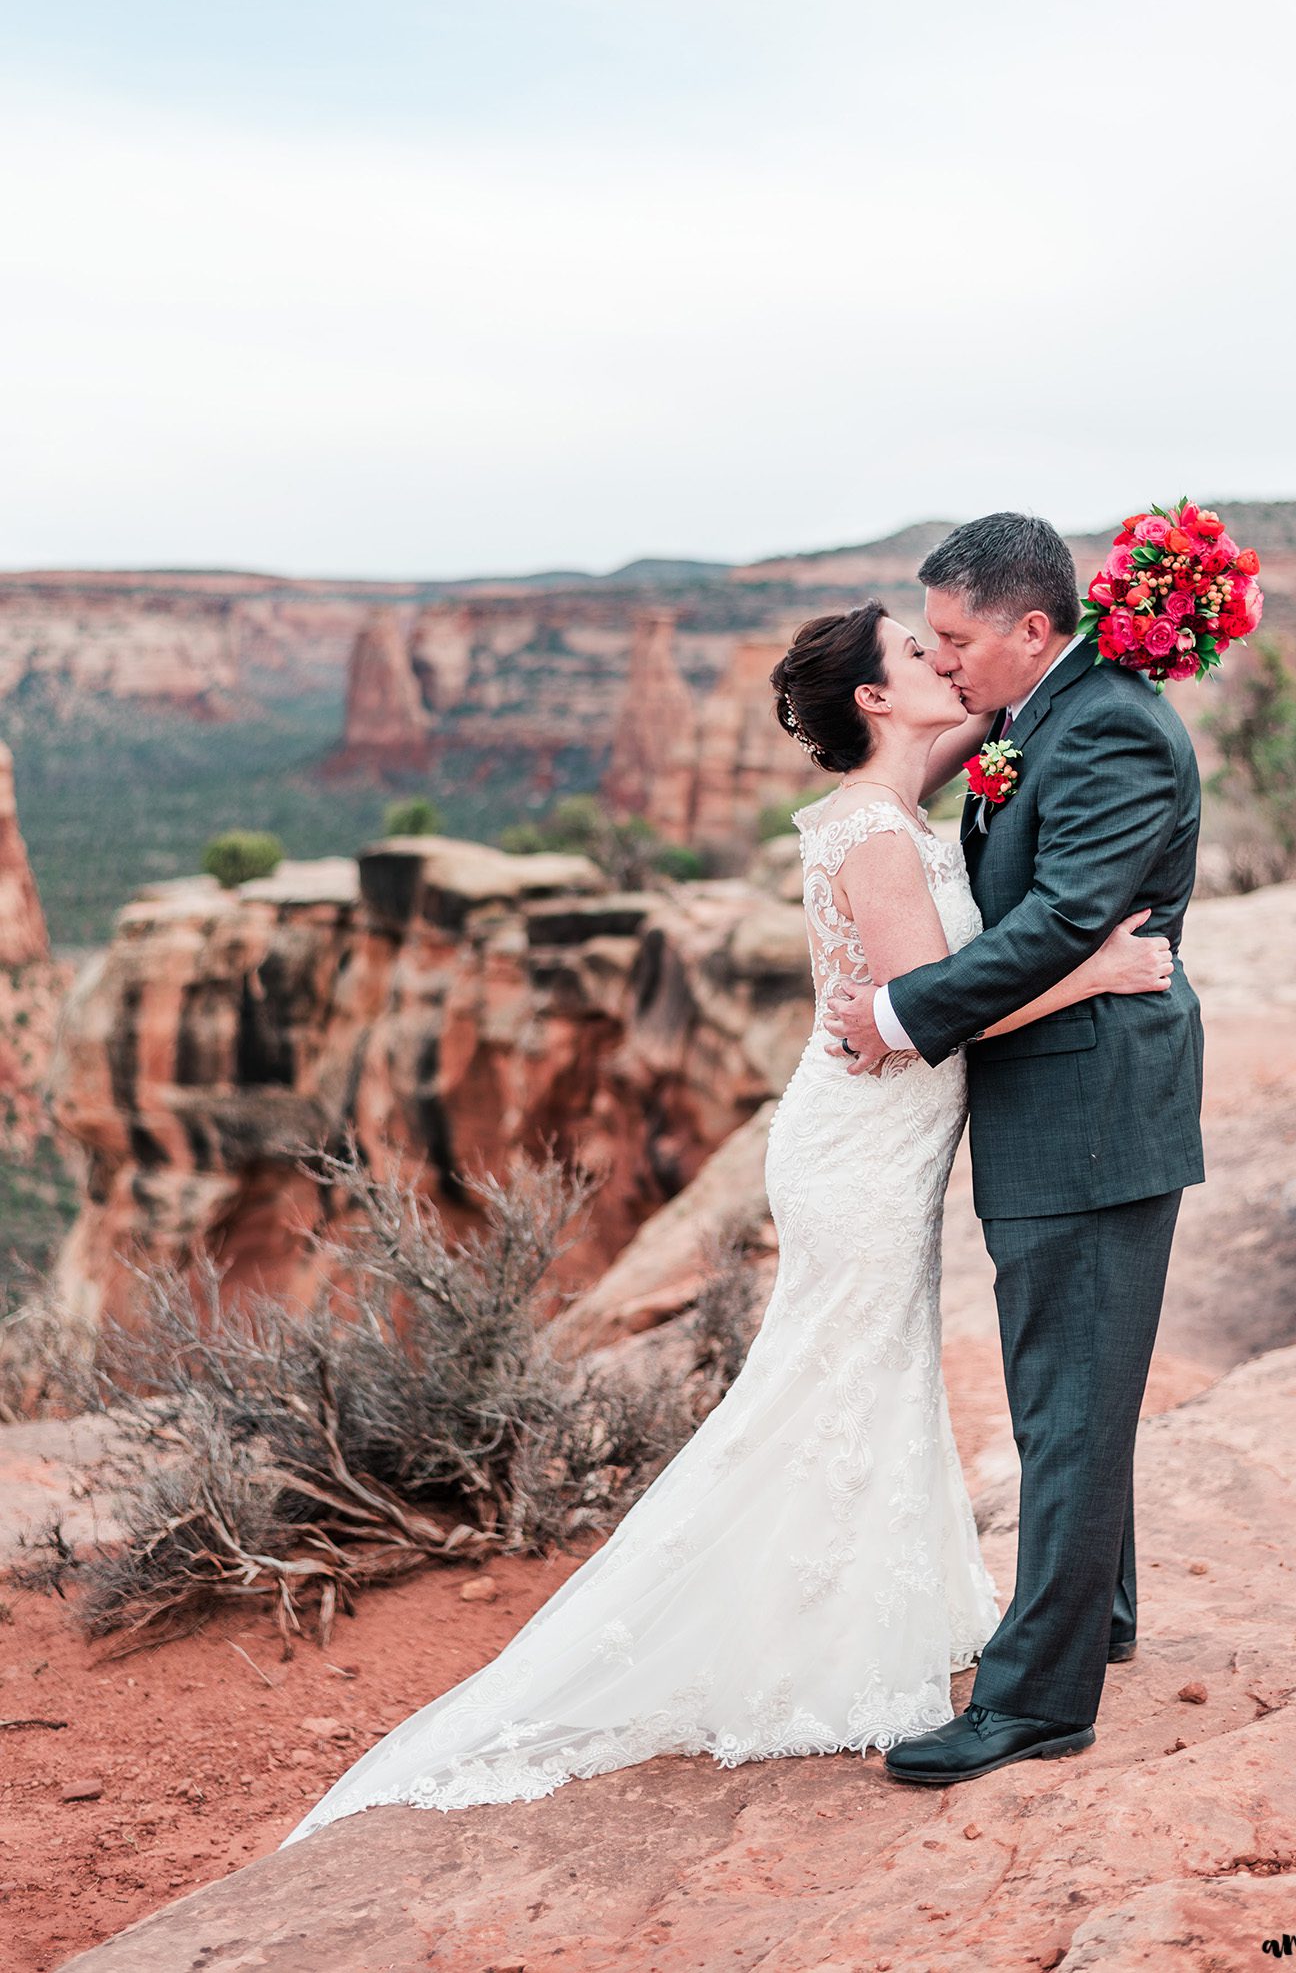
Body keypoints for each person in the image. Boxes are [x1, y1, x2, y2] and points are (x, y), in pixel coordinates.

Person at [281, 583, 1174, 1845]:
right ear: (874, 696)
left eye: (949, 644)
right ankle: (789, 1632)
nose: (944, 663)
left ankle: (885, 1606)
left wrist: (1138, 629)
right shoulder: (871, 831)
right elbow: (926, 1018)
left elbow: (1037, 698)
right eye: (921, 651)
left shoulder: (903, 795)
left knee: (876, 1376)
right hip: (862, 1143)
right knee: (836, 1378)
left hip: (879, 1138)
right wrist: (1096, 966)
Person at [826, 512, 1203, 1786]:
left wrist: (894, 1017)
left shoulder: (1101, 727)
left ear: (1032, 629)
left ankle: (1039, 1702)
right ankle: (1096, 1617)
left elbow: (1058, 925)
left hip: (1091, 1110)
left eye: (957, 639)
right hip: (1069, 1100)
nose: (948, 663)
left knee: (1067, 1401)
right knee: (1075, 1390)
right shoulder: (1052, 710)